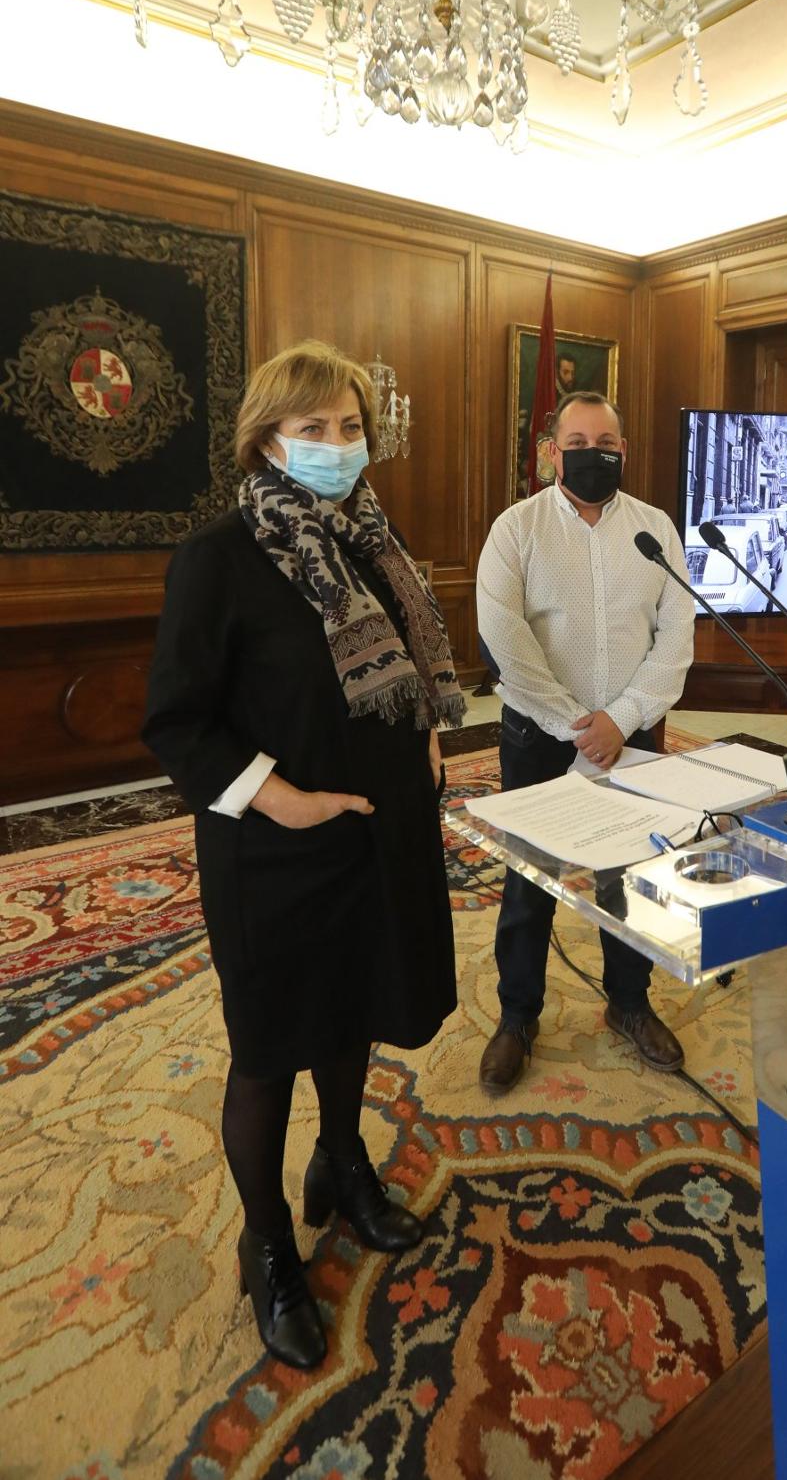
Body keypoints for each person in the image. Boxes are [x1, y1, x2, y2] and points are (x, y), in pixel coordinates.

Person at [142, 340, 465, 1371]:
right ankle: (269, 1240)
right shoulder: (219, 557)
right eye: (313, 427)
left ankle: (343, 1161)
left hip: (379, 831)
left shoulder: (376, 539)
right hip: (273, 852)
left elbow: (409, 662)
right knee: (271, 1046)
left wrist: (422, 728)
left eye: (350, 426)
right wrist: (281, 800)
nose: (337, 445)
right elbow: (179, 722)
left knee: (355, 1006)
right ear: (265, 439)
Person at [475, 391, 696, 1091]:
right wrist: (574, 723)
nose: (591, 450)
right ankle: (518, 1016)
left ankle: (629, 1004)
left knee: (631, 874)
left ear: (623, 451)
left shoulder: (656, 528)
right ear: (552, 451)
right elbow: (502, 635)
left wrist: (621, 719)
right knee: (529, 876)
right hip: (540, 734)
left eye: (605, 439)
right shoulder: (516, 529)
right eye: (576, 439)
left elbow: (677, 637)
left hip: (632, 734)